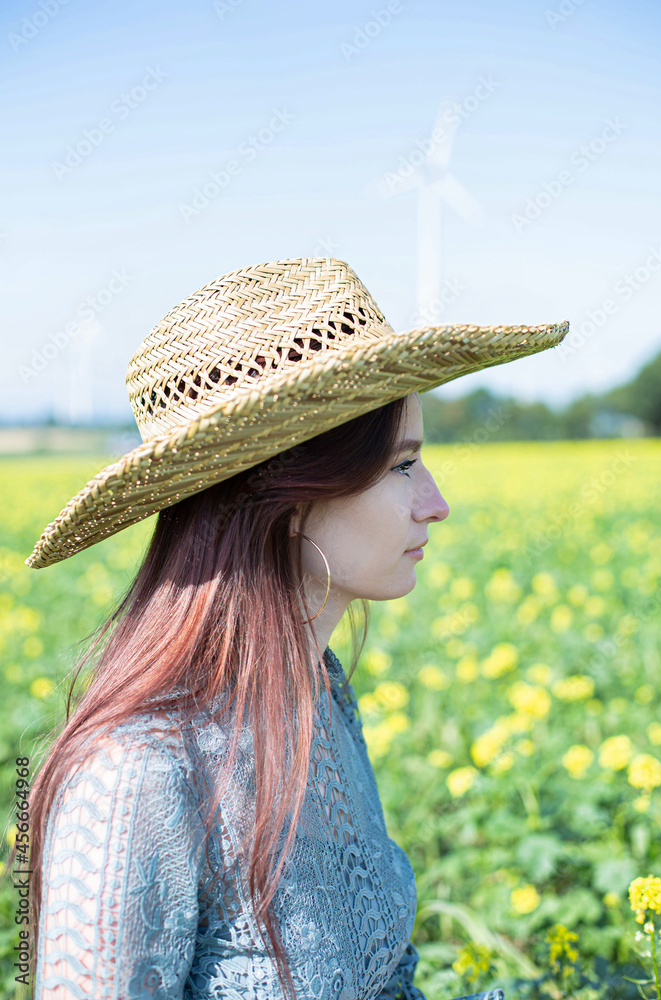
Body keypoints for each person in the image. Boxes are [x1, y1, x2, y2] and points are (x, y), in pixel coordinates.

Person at [21, 257, 567, 999]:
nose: (434, 504)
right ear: (288, 496)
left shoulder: (319, 696)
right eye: (401, 466)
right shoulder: (139, 776)